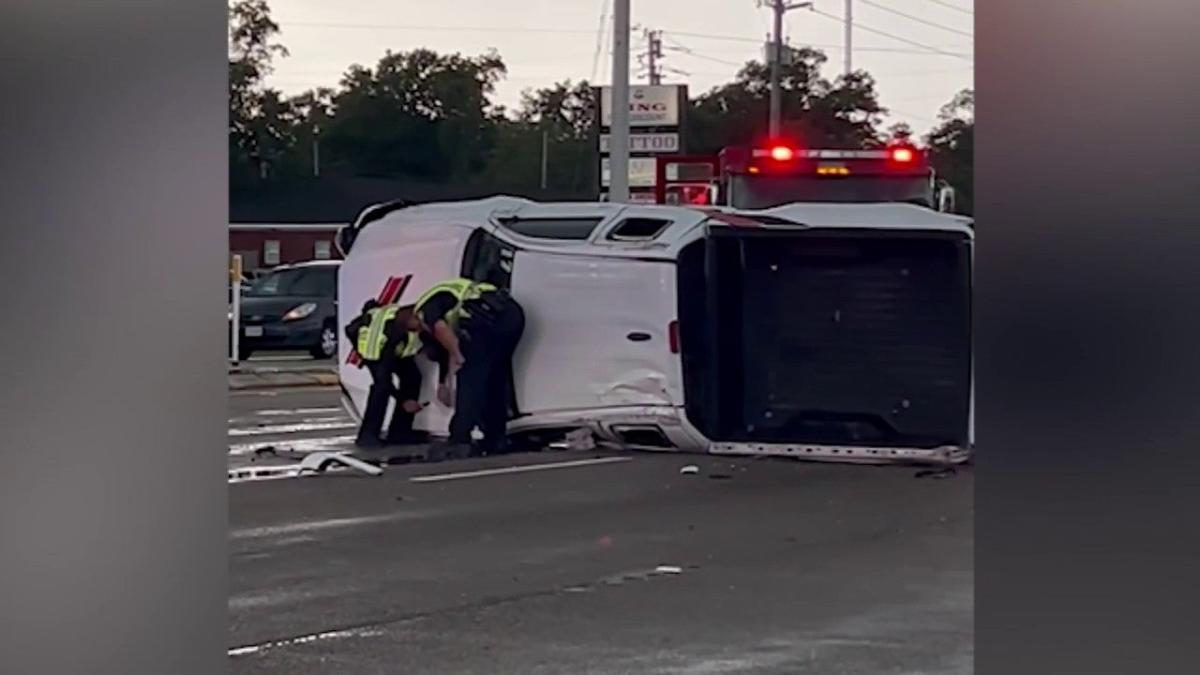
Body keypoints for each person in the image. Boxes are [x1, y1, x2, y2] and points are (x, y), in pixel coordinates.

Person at [399, 278, 525, 459]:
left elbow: (441, 329)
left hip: (486, 317)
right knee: (494, 378)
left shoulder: (424, 309)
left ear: (412, 317)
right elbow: (444, 345)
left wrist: (458, 355)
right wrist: (444, 383)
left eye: (414, 329)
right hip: (511, 314)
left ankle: (460, 439)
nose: (418, 332)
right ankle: (496, 437)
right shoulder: (447, 298)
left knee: (470, 380)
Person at [345, 300, 426, 449]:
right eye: (420, 324)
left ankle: (400, 433)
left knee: (413, 376)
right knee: (381, 388)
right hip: (376, 352)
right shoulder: (391, 331)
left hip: (397, 351)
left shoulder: (412, 320)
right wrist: (403, 401)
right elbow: (385, 376)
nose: (422, 328)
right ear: (411, 319)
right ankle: (367, 436)